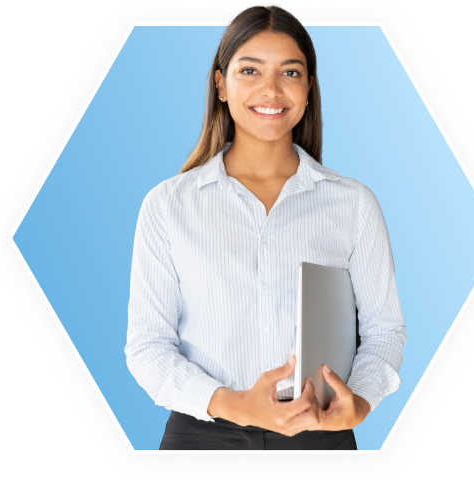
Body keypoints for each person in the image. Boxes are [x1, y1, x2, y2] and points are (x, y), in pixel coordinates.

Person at [125, 4, 407, 450]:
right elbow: (148, 346)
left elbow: (383, 333)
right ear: (220, 84)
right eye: (250, 70)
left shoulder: (354, 204)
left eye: (290, 73)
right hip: (201, 437)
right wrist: (234, 404)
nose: (271, 90)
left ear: (309, 88)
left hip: (320, 438)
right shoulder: (168, 206)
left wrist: (363, 400)